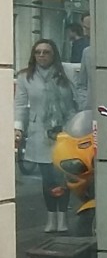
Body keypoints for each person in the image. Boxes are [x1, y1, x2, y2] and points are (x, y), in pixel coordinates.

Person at [15, 40, 78, 232]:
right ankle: (51, 217)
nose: (42, 56)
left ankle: (63, 218)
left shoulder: (65, 73)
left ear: (54, 55)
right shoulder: (26, 77)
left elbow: (76, 101)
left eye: (46, 52)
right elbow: (20, 106)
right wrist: (18, 128)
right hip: (39, 133)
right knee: (47, 177)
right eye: (38, 52)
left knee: (63, 175)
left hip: (64, 131)